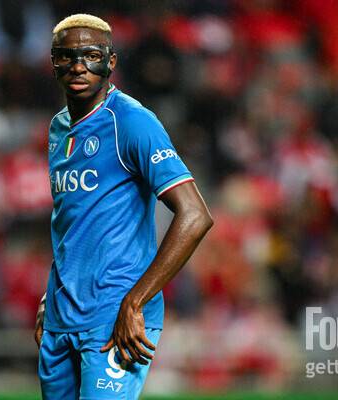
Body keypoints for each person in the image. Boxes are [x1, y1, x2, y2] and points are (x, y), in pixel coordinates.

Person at [34, 14, 213, 400]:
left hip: (115, 316)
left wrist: (135, 301)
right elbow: (73, 220)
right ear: (53, 62)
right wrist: (51, 295)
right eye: (67, 56)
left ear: (111, 62)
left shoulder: (132, 122)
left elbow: (196, 214)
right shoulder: (58, 128)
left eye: (91, 56)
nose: (78, 66)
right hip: (62, 315)